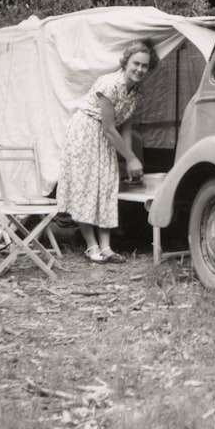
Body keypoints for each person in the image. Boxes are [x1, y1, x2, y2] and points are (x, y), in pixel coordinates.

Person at [57, 40, 159, 263]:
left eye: (144, 66)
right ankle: (91, 245)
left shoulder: (137, 94)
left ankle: (106, 247)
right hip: (85, 132)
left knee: (107, 184)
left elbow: (127, 128)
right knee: (87, 186)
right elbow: (109, 128)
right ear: (126, 62)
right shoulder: (109, 84)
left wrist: (131, 159)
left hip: (105, 137)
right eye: (136, 64)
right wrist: (130, 159)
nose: (140, 69)